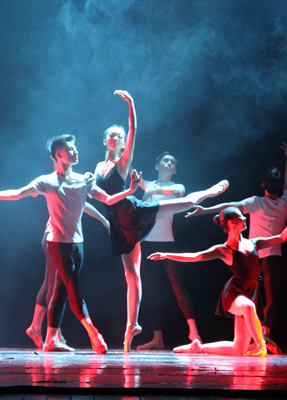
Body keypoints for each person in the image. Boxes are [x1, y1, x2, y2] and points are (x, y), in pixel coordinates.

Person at [0, 134, 144, 354]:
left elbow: (106, 198)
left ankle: (50, 339)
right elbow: (19, 193)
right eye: (71, 149)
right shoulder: (46, 181)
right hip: (57, 243)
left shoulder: (84, 180)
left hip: (77, 244)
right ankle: (93, 332)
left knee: (61, 291)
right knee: (72, 285)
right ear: (58, 154)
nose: (76, 151)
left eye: (75, 147)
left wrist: (130, 191)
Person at [95, 90, 229, 352]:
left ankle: (209, 192)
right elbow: (102, 198)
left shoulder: (123, 162)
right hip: (119, 226)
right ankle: (132, 326)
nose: (116, 138)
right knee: (132, 277)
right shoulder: (98, 169)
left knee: (186, 203)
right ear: (104, 141)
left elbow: (134, 129)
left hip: (135, 213)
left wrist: (132, 104)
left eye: (120, 137)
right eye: (112, 135)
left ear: (123, 144)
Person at [185, 141, 287, 354]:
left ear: (263, 185)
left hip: (252, 257)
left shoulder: (256, 202)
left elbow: (229, 207)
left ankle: (260, 339)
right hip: (269, 256)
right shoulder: (286, 202)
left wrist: (205, 210)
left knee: (253, 300)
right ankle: (263, 335)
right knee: (270, 298)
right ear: (280, 187)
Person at [148, 207, 287, 356]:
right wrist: (167, 255)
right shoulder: (224, 249)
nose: (245, 219)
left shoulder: (254, 243)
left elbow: (282, 237)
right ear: (232, 223)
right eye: (241, 217)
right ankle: (261, 346)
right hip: (234, 293)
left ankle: (198, 348)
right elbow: (195, 256)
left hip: (250, 292)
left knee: (238, 349)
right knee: (248, 306)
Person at [136, 151, 200, 350]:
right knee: (151, 291)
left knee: (178, 287)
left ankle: (194, 334)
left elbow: (177, 193)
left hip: (167, 244)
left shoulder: (177, 186)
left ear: (175, 170)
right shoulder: (147, 184)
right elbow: (128, 169)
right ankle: (157, 339)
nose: (169, 163)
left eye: (172, 162)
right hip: (147, 243)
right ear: (157, 166)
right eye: (165, 160)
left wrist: (151, 193)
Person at [26, 203, 109, 351]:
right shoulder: (68, 191)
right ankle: (52, 335)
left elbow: (83, 204)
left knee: (50, 283)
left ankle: (37, 327)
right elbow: (84, 204)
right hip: (56, 239)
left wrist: (103, 220)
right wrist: (104, 220)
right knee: (57, 286)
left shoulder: (73, 192)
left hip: (56, 238)